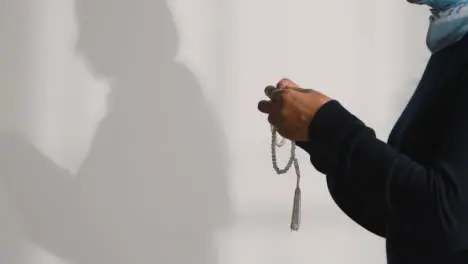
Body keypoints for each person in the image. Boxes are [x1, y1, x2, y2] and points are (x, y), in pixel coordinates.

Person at [258, 0, 468, 263]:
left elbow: (447, 218)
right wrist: (316, 132)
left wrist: (327, 126)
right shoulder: (453, 48)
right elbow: (404, 217)